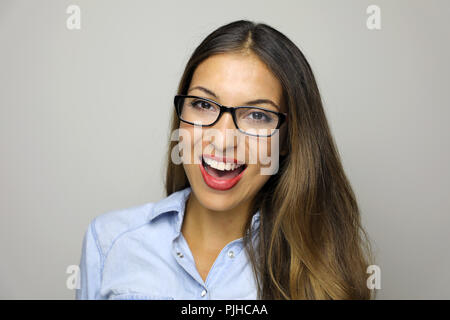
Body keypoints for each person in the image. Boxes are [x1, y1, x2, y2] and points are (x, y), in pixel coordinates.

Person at [76, 20, 373, 300]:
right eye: (204, 105)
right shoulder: (109, 242)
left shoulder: (323, 269)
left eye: (257, 115)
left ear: (287, 140)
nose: (223, 140)